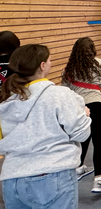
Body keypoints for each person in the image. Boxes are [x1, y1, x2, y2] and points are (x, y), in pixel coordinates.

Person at [0, 44, 92, 209]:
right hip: (53, 177)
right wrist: (85, 116)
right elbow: (81, 134)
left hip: (12, 180)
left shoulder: (5, 99)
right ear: (42, 65)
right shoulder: (60, 95)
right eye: (49, 60)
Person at [62, 37, 101, 193]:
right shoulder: (98, 63)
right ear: (92, 50)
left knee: (82, 138)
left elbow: (65, 91)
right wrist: (97, 86)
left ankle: (78, 168)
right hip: (96, 105)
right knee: (98, 141)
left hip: (79, 107)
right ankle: (99, 179)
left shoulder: (68, 69)